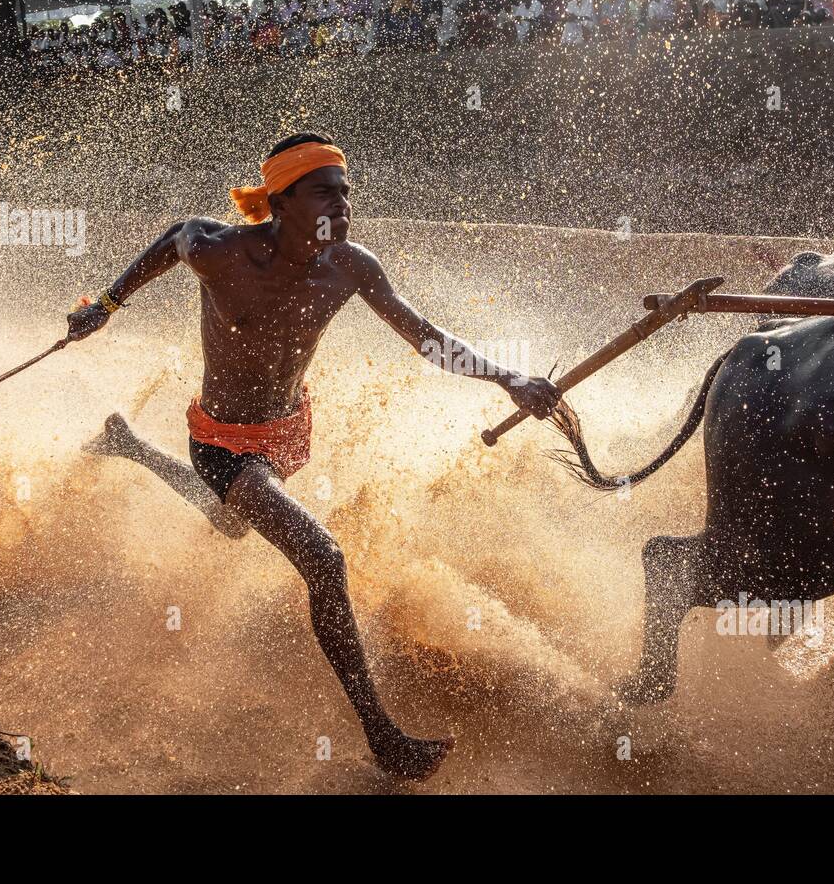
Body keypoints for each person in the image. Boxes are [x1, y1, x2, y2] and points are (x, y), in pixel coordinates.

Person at [71, 134, 562, 779]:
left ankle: (128, 445)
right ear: (283, 200)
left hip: (287, 428)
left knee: (231, 523)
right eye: (325, 190)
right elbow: (172, 237)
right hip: (220, 438)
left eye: (346, 190)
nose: (343, 202)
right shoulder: (223, 251)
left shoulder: (351, 265)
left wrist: (506, 378)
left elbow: (426, 338)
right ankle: (380, 733)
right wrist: (105, 305)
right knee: (323, 558)